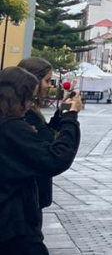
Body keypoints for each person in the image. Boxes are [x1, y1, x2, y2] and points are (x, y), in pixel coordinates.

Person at [0, 67, 82, 255]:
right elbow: (55, 159)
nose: (30, 104)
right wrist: (70, 119)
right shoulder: (11, 127)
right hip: (13, 221)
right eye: (28, 98)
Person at [17, 58, 61, 211]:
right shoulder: (26, 114)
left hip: (31, 198)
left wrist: (60, 114)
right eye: (47, 81)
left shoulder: (29, 110)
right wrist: (71, 118)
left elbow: (46, 133)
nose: (50, 86)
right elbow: (54, 154)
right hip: (27, 200)